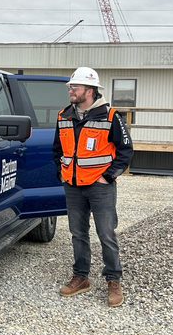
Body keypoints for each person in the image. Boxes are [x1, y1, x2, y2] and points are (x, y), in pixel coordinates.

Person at [53, 67, 133, 307]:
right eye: (70, 87)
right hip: (73, 186)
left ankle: (113, 280)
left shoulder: (110, 116)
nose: (70, 90)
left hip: (101, 187)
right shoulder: (64, 115)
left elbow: (125, 152)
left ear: (89, 90)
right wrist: (63, 174)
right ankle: (81, 277)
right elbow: (57, 150)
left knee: (106, 234)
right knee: (78, 234)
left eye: (74, 87)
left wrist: (107, 177)